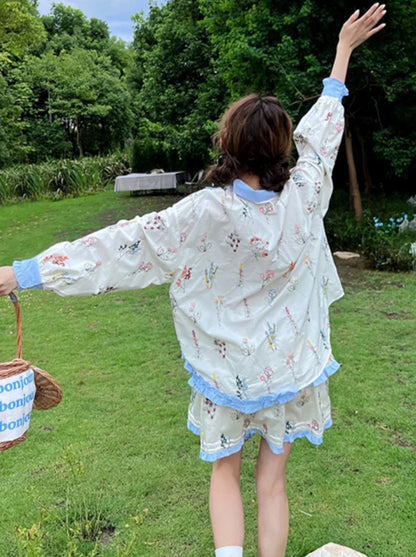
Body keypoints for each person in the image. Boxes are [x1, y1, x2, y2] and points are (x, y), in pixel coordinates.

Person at [0, 5, 386, 556]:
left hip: (224, 375)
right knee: (272, 482)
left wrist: (25, 272)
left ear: (227, 142)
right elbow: (324, 128)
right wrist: (342, 51)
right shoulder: (307, 192)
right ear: (281, 149)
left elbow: (118, 246)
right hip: (291, 371)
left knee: (224, 473)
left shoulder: (202, 212)